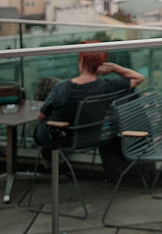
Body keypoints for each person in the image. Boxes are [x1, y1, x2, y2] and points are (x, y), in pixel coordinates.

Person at [35, 45, 144, 176]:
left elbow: (41, 115)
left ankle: (54, 166)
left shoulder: (62, 87)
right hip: (94, 137)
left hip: (64, 140)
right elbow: (138, 78)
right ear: (101, 65)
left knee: (41, 126)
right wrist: (114, 68)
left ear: (81, 61)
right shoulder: (108, 86)